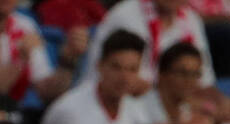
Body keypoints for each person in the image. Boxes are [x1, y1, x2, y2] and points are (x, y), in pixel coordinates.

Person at [83, 0, 216, 90]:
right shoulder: (126, 16)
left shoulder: (192, 19)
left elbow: (205, 79)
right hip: (118, 102)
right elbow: (125, 80)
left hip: (168, 104)